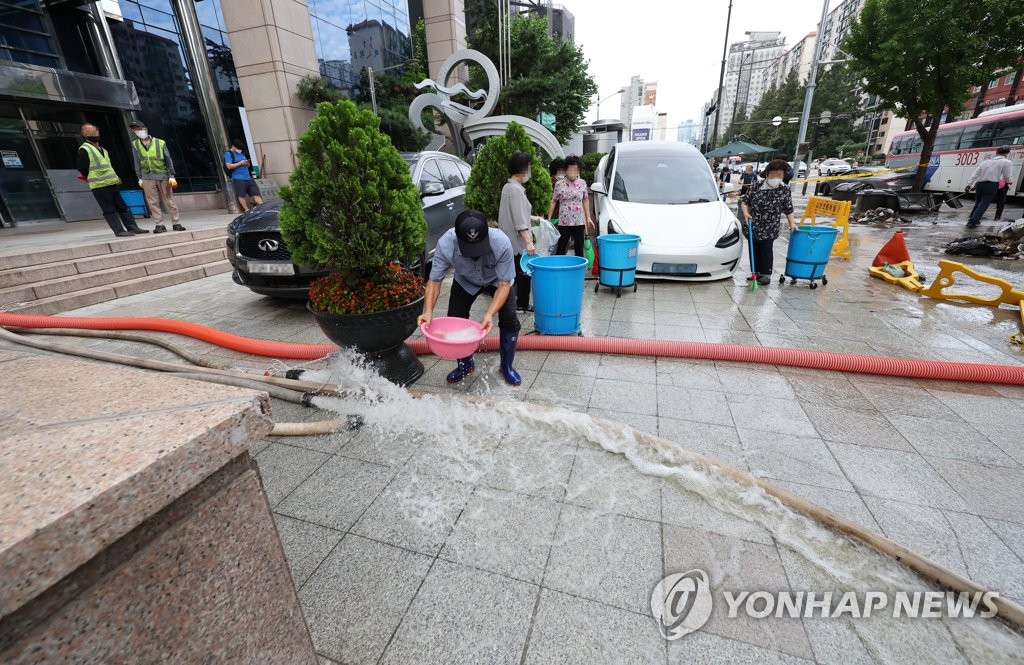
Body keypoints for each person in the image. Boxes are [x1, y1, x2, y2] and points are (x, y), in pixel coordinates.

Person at [418, 209, 523, 386]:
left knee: (510, 319)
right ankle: (465, 365)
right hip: (465, 280)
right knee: (455, 317)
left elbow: (505, 284)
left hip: (497, 281)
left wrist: (489, 314)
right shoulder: (446, 244)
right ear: (457, 238)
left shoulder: (502, 243)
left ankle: (507, 367)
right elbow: (434, 281)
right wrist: (428, 312)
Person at [76, 123, 147, 237]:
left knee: (122, 207)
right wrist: (92, 177)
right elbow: (82, 167)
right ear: (83, 135)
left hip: (112, 183)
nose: (94, 134)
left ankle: (132, 227)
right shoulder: (85, 149)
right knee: (109, 209)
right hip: (99, 185)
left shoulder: (102, 149)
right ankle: (119, 231)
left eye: (95, 131)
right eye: (90, 132)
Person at [740, 159, 798, 286]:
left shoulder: (784, 190)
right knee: (753, 249)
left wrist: (792, 223)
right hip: (754, 225)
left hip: (771, 226)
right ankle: (755, 273)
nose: (776, 178)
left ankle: (766, 275)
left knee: (766, 249)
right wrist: (745, 213)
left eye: (779, 175)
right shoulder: (756, 186)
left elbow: (789, 209)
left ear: (783, 176)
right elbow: (745, 201)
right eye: (773, 175)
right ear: (767, 174)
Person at [498, 152, 540, 312]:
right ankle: (518, 304)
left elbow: (518, 213)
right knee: (522, 274)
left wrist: (534, 218)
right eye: (528, 168)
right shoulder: (515, 190)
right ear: (522, 169)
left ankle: (516, 303)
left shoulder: (508, 187)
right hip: (517, 242)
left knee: (515, 274)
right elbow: (519, 220)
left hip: (509, 239)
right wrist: (528, 242)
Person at [130, 120, 184, 233]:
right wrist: (139, 177)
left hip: (163, 175)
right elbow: (137, 161)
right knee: (152, 202)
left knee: (169, 200)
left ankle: (176, 223)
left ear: (145, 128)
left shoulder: (160, 142)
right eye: (135, 129)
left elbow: (168, 160)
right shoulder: (135, 144)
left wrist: (171, 175)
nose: (137, 131)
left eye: (139, 128)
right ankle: (159, 225)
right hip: (147, 177)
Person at [549, 154, 594, 257]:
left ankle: (578, 271)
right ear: (566, 169)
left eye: (575, 169)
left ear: (578, 170)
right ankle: (560, 270)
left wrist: (588, 218)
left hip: (579, 222)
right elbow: (554, 201)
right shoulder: (559, 184)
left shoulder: (582, 183)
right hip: (564, 223)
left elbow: (585, 200)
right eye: (570, 169)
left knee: (579, 250)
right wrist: (549, 218)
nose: (573, 172)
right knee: (561, 248)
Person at [965, 145, 1013, 228]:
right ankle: (973, 221)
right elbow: (1007, 175)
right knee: (984, 204)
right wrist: (1009, 182)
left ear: (996, 152)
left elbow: (975, 174)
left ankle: (972, 218)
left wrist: (969, 185)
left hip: (979, 184)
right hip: (991, 185)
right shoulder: (1007, 162)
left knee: (978, 203)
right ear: (1007, 153)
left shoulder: (985, 162)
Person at [224, 139, 263, 211]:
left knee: (256, 193)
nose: (239, 150)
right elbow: (229, 166)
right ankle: (246, 209)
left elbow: (247, 166)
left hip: (248, 177)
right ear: (233, 146)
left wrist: (247, 163)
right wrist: (240, 163)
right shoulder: (228, 154)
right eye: (238, 148)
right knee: (242, 194)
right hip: (238, 177)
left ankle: (262, 207)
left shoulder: (241, 154)